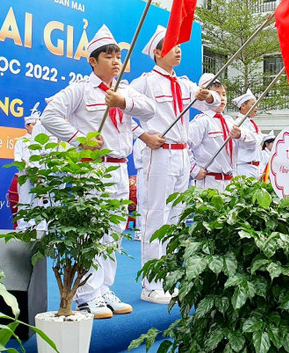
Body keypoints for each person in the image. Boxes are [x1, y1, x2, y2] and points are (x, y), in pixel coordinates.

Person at [40, 24, 156, 320]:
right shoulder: (81, 89)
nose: (116, 61)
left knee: (114, 232)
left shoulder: (125, 90)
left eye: (118, 56)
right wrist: (80, 139)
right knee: (93, 230)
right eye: (108, 56)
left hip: (120, 169)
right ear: (93, 61)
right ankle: (86, 294)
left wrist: (123, 101)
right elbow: (50, 116)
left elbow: (149, 110)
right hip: (94, 169)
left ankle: (103, 288)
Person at [130, 25, 220, 305]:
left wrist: (209, 97)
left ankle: (167, 279)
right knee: (155, 215)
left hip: (183, 155)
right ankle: (150, 285)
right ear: (157, 53)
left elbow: (215, 103)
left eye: (179, 46)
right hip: (160, 153)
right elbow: (120, 111)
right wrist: (143, 135)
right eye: (171, 46)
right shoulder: (145, 82)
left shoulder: (183, 83)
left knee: (175, 219)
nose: (178, 50)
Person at [190, 74, 256, 191]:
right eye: (217, 94)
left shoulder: (229, 121)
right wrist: (194, 170)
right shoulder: (202, 121)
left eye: (224, 94)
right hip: (210, 182)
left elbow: (252, 144)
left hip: (231, 183)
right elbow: (185, 146)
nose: (222, 98)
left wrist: (240, 135)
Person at [13, 105, 49, 231]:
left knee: (41, 202)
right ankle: (23, 227)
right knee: (24, 200)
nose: (35, 127)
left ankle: (40, 227)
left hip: (40, 176)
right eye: (32, 124)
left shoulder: (42, 141)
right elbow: (17, 159)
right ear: (26, 126)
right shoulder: (21, 141)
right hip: (26, 175)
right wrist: (27, 169)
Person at [232, 89, 263, 178]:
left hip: (256, 167)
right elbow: (251, 143)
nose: (256, 107)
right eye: (253, 104)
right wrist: (259, 136)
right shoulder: (238, 123)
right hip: (244, 167)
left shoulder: (251, 123)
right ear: (243, 105)